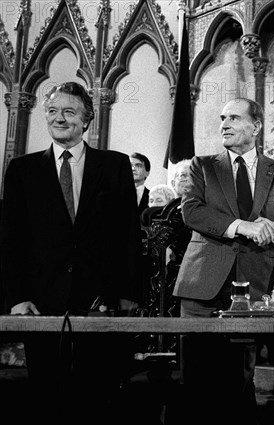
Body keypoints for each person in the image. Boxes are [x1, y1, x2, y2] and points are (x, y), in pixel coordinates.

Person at [0, 82, 143, 425]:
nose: (58, 118)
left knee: (97, 396)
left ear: (87, 119)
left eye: (68, 111)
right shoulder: (22, 170)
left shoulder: (114, 166)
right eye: (52, 111)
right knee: (47, 398)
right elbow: (10, 241)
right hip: (41, 304)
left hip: (100, 301)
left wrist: (127, 294)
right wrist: (17, 298)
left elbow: (128, 234)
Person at [172, 98, 274, 425]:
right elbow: (192, 212)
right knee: (198, 384)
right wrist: (243, 226)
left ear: (255, 126)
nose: (224, 124)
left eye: (233, 118)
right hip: (203, 288)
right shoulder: (202, 166)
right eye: (222, 117)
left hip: (255, 291)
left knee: (242, 384)